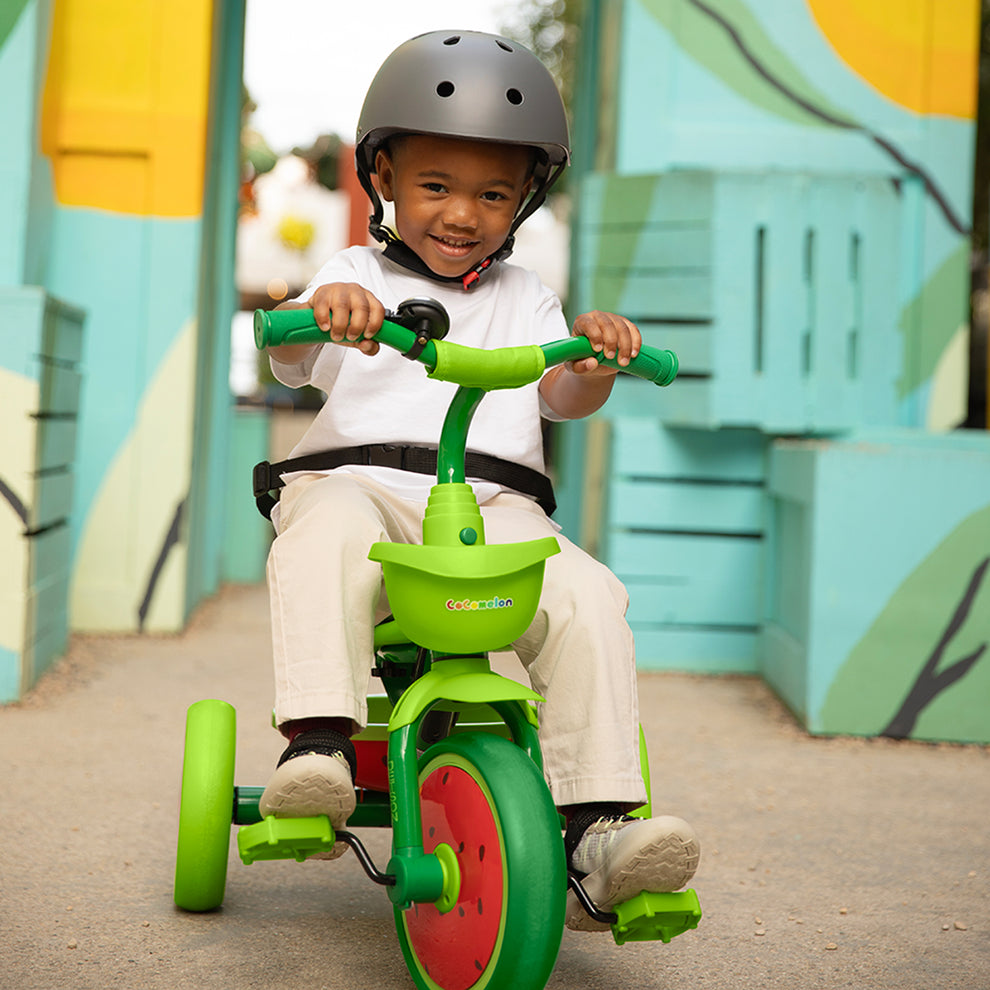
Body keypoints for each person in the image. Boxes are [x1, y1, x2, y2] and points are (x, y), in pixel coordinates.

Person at [258, 30, 700, 930]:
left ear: (524, 200)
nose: (463, 213)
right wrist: (320, 315)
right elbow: (290, 356)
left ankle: (600, 827)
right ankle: (319, 745)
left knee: (586, 593)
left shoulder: (526, 297)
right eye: (436, 186)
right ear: (381, 176)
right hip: (363, 488)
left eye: (492, 194)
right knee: (328, 524)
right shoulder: (355, 274)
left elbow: (563, 398)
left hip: (491, 504)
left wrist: (596, 359)